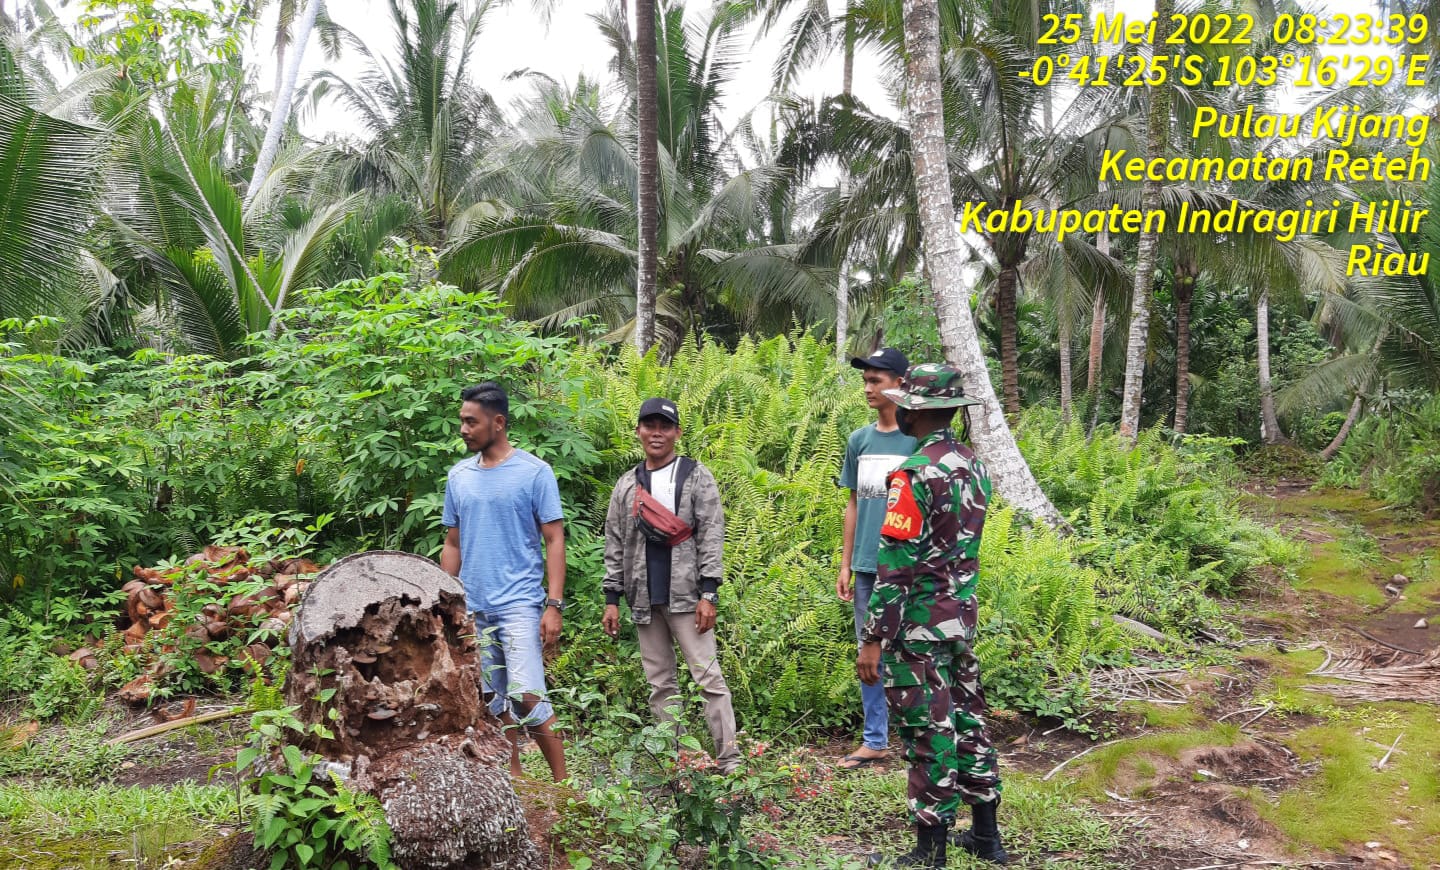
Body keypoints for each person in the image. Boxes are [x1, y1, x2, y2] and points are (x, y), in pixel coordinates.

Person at [856, 364, 1005, 868]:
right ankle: (987, 836)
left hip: (918, 627)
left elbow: (895, 567)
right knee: (968, 720)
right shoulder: (973, 465)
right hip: (960, 619)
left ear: (915, 410)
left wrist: (873, 637)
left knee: (927, 732)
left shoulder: (914, 474)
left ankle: (929, 852)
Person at [601, 397, 739, 773]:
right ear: (639, 431)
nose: (656, 433)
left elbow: (712, 533)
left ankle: (729, 760)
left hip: (687, 596)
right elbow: (615, 540)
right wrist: (612, 598)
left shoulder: (696, 475)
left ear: (677, 432)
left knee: (708, 677)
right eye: (649, 425)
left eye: (665, 426)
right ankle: (675, 761)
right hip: (643, 598)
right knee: (659, 682)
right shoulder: (627, 484)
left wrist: (709, 592)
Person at [440, 382, 568, 782]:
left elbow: (554, 538)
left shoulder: (534, 472)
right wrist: (445, 605)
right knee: (493, 701)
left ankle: (566, 788)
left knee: (528, 695)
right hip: (474, 607)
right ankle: (516, 786)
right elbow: (452, 542)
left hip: (519, 604)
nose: (463, 429)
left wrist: (553, 605)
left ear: (498, 422)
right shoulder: (459, 477)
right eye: (461, 420)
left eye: (471, 422)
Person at [836, 347, 917, 771]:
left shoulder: (918, 439)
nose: (867, 388)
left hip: (911, 567)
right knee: (869, 653)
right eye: (865, 380)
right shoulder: (859, 440)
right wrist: (846, 562)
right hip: (868, 564)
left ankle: (920, 736)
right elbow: (854, 503)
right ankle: (875, 739)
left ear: (899, 383)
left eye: (876, 381)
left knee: (914, 651)